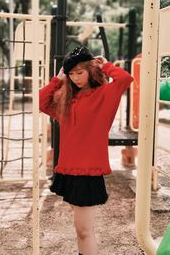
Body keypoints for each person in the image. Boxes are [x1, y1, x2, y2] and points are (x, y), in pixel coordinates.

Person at [39, 46, 133, 255]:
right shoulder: (66, 99)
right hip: (67, 170)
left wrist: (105, 64)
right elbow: (40, 101)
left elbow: (125, 79)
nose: (75, 78)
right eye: (71, 74)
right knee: (80, 229)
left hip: (87, 171)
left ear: (91, 70)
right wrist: (58, 79)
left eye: (79, 72)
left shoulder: (105, 94)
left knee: (83, 230)